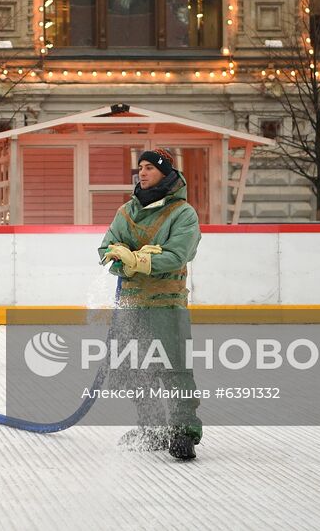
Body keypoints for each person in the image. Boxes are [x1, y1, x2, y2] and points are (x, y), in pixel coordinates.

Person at [98, 148, 203, 461]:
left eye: (150, 168)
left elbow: (176, 255)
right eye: (140, 167)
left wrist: (137, 259)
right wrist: (122, 261)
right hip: (131, 305)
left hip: (166, 304)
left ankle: (184, 431)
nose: (142, 173)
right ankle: (152, 426)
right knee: (133, 368)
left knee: (174, 368)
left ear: (166, 173)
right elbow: (106, 249)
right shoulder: (127, 211)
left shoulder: (183, 214)